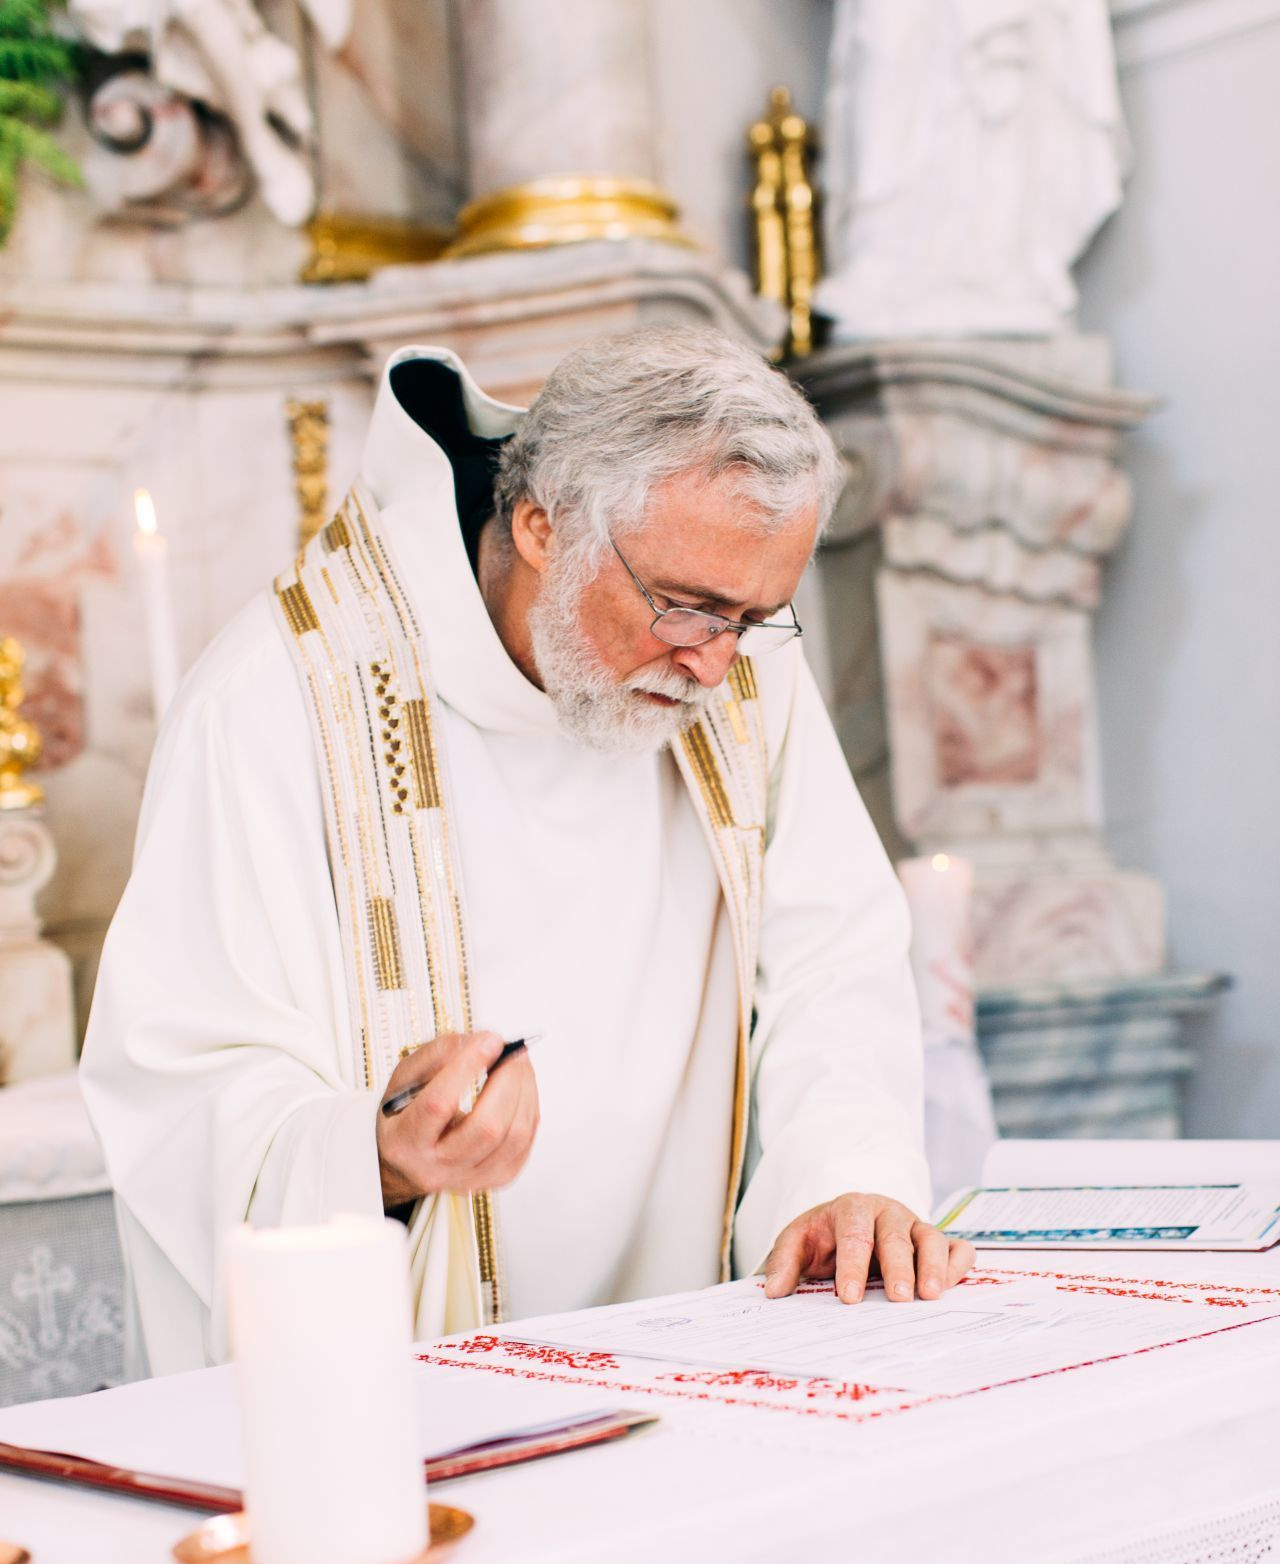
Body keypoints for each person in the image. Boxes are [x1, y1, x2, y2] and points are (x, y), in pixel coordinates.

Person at [81, 326, 974, 1376]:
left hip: (709, 1367)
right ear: (544, 525)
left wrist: (841, 1176)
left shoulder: (732, 666)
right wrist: (375, 1151)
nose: (712, 663)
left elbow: (829, 961)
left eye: (753, 618)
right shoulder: (276, 700)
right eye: (682, 608)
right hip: (420, 1397)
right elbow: (182, 1091)